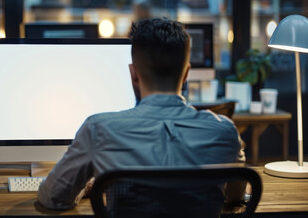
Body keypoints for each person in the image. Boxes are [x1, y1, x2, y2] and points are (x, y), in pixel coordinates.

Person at [38, 18, 245, 210]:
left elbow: (53, 197)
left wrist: (90, 185)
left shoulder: (99, 130)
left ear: (133, 73)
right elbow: (235, 197)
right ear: (186, 74)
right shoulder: (225, 131)